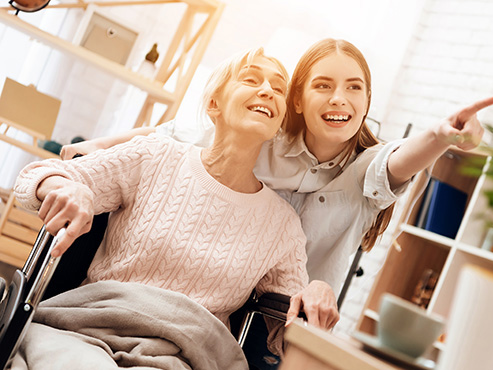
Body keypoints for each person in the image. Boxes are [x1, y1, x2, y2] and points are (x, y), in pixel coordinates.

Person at [61, 38, 493, 333]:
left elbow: (400, 159)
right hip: (213, 299)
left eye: (354, 88)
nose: (339, 99)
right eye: (322, 86)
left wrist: (441, 135)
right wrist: (98, 147)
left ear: (366, 102)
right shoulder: (262, 139)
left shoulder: (365, 170)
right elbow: (175, 136)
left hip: (285, 320)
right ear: (299, 100)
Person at [12, 48, 308, 368]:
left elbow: (291, 331)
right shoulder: (155, 155)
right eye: (251, 79)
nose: (267, 90)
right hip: (83, 332)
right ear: (213, 104)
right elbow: (34, 177)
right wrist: (66, 188)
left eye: (278, 88)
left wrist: (313, 301)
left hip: (183, 356)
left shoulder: (282, 225)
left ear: (279, 121)